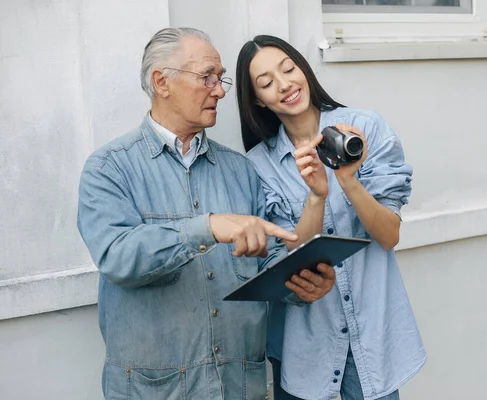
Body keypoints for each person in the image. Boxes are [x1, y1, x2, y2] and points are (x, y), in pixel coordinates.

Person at [77, 28, 336, 400]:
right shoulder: (109, 168)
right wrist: (208, 228)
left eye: (221, 77)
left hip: (239, 387)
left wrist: (302, 282)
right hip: (157, 391)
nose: (220, 89)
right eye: (207, 77)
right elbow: (117, 257)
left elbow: (268, 262)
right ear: (161, 82)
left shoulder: (241, 171)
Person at [236, 35, 426, 400]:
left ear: (303, 69)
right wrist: (317, 196)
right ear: (258, 99)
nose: (284, 84)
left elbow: (389, 236)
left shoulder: (363, 128)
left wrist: (347, 179)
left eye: (288, 69)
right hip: (305, 344)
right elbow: (289, 264)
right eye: (266, 82)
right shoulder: (258, 166)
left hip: (373, 336)